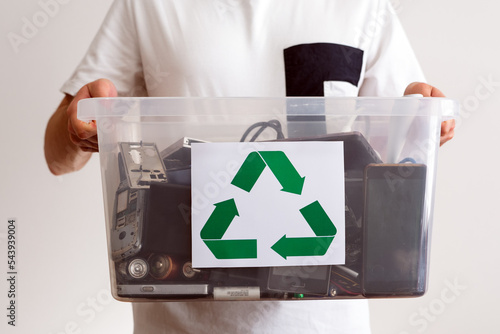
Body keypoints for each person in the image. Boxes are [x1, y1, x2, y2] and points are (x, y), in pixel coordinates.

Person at [44, 0, 455, 332]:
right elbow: (57, 156)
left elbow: (400, 150)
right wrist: (76, 130)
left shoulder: (365, 7)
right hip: (178, 314)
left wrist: (420, 121)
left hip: (325, 314)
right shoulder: (146, 6)